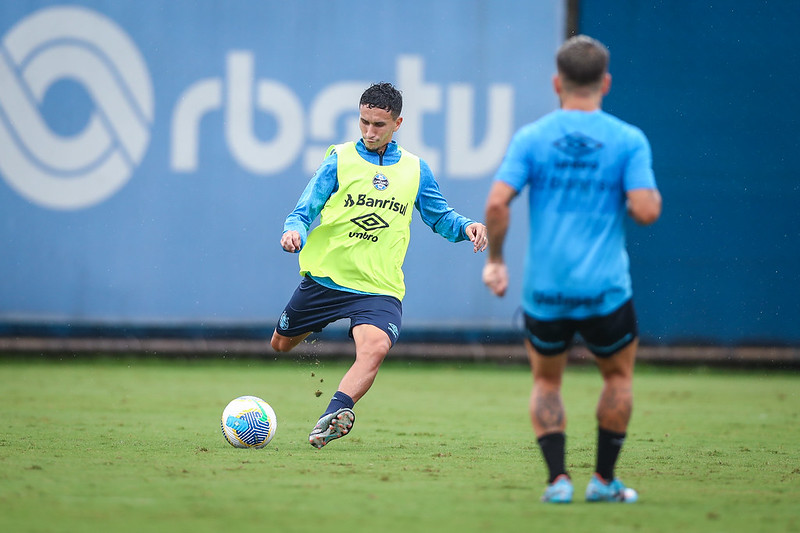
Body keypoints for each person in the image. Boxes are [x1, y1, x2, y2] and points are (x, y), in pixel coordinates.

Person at [482, 35, 661, 503]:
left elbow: (498, 204)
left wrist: (496, 261)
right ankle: (603, 481)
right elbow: (645, 211)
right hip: (605, 290)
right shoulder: (627, 140)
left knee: (546, 380)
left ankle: (558, 481)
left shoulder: (532, 137)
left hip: (547, 291)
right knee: (617, 378)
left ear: (556, 82)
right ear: (605, 82)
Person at [272, 82, 488, 449]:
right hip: (326, 278)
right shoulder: (339, 158)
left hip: (379, 287)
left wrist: (466, 226)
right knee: (280, 345)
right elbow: (304, 210)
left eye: (379, 125)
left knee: (374, 349)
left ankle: (333, 415)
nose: (370, 132)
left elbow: (440, 216)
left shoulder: (415, 169)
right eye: (364, 122)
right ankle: (319, 322)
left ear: (397, 123)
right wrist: (293, 231)